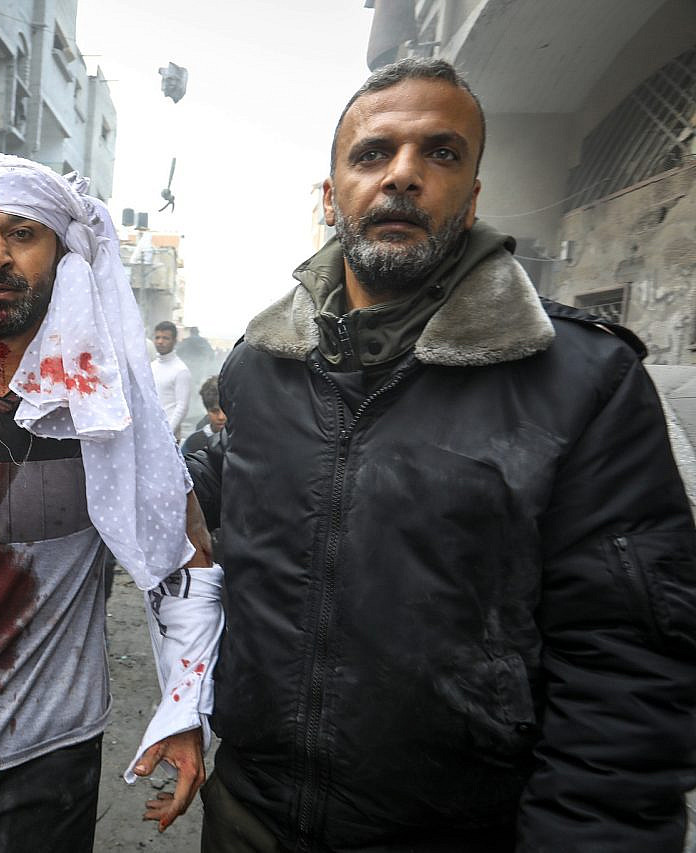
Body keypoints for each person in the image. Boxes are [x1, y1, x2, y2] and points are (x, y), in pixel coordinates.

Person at [188, 57, 696, 852]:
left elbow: (625, 665)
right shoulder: (261, 365)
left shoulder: (583, 381)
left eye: (441, 153)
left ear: (473, 195)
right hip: (250, 813)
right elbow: (234, 530)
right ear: (330, 194)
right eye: (372, 154)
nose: (402, 176)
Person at [0, 153, 219, 853]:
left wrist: (186, 710)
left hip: (48, 754)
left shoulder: (104, 412)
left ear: (65, 259)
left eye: (20, 234)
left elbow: (186, 558)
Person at [150, 320, 191, 439]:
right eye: (157, 337)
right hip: (150, 431)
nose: (160, 341)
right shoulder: (151, 367)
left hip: (168, 435)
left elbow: (182, 406)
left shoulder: (181, 370)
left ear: (174, 341)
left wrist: (168, 432)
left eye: (165, 338)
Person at [181, 376, 226, 454]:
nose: (221, 417)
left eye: (225, 410)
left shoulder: (243, 439)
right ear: (207, 410)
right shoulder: (193, 443)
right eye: (214, 411)